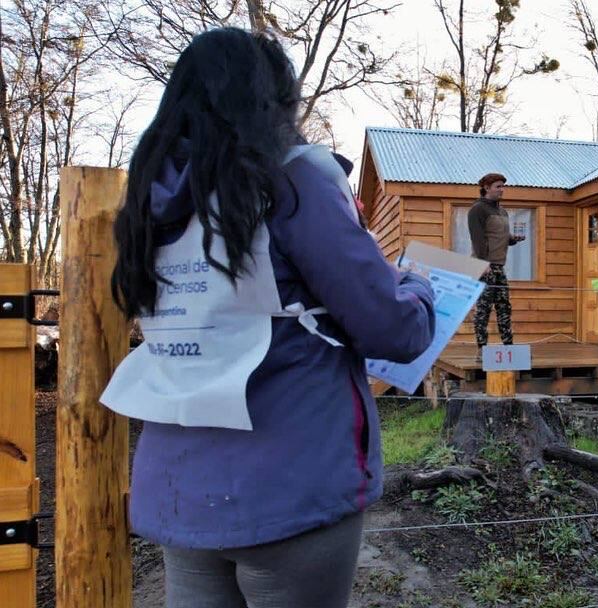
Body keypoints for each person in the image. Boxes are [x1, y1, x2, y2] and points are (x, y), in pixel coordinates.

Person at [100, 28, 435, 608]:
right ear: (272, 100)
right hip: (291, 483)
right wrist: (420, 286)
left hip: (180, 484)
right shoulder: (293, 179)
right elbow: (392, 329)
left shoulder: (147, 200)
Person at [468, 172, 525, 356]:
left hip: (499, 267)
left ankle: (509, 348)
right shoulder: (477, 209)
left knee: (504, 307)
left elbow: (500, 237)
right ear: (486, 188)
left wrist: (513, 239)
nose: (502, 189)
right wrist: (483, 264)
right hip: (483, 266)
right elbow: (477, 239)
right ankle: (481, 350)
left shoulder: (502, 211)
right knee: (483, 310)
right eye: (498, 186)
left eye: (503, 186)